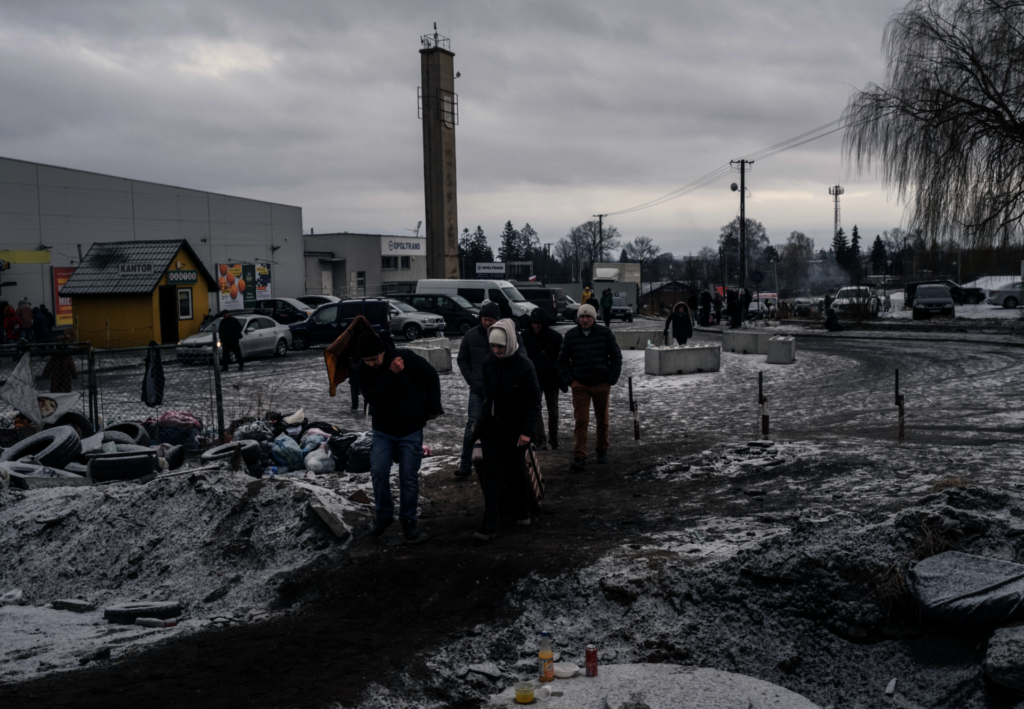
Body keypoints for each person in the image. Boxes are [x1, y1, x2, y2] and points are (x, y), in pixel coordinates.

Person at [355, 330, 442, 543]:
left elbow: (431, 375)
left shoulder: (406, 357)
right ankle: (384, 516)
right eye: (366, 360)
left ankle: (409, 521)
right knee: (378, 470)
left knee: (408, 476)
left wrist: (433, 407)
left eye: (374, 359)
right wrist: (390, 373)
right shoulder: (362, 369)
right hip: (383, 430)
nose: (370, 364)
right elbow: (373, 397)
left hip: (410, 428)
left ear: (382, 352)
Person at [473, 319, 541, 540]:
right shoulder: (488, 363)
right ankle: (490, 525)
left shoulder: (524, 366)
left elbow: (533, 402)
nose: (496, 351)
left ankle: (523, 511)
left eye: (500, 347)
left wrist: (526, 431)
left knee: (516, 469)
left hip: (515, 428)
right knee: (492, 472)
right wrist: (481, 421)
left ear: (510, 342)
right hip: (492, 425)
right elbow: (488, 395)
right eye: (493, 346)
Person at [557, 304, 622, 472]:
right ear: (578, 318)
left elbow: (616, 356)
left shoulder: (605, 333)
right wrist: (571, 380)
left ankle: (602, 449)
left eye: (588, 317)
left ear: (594, 318)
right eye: (582, 317)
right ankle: (579, 456)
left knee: (602, 420)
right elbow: (562, 360)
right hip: (580, 384)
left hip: (601, 382)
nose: (585, 320)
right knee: (581, 420)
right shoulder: (570, 336)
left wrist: (611, 379)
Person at [456, 302, 501, 478]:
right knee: (472, 426)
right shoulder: (470, 335)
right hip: (478, 389)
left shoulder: (508, 335)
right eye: (485, 319)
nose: (487, 323)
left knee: (500, 427)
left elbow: (521, 357)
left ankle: (498, 464)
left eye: (491, 320)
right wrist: (472, 379)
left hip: (500, 391)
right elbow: (462, 359)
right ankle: (465, 464)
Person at [523, 308, 565, 450]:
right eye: (533, 323)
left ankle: (553, 438)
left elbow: (563, 357)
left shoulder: (555, 337)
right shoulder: (525, 336)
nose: (535, 326)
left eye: (538, 323)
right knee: (536, 409)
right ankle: (541, 438)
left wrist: (553, 367)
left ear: (544, 323)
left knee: (553, 410)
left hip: (551, 378)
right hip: (534, 378)